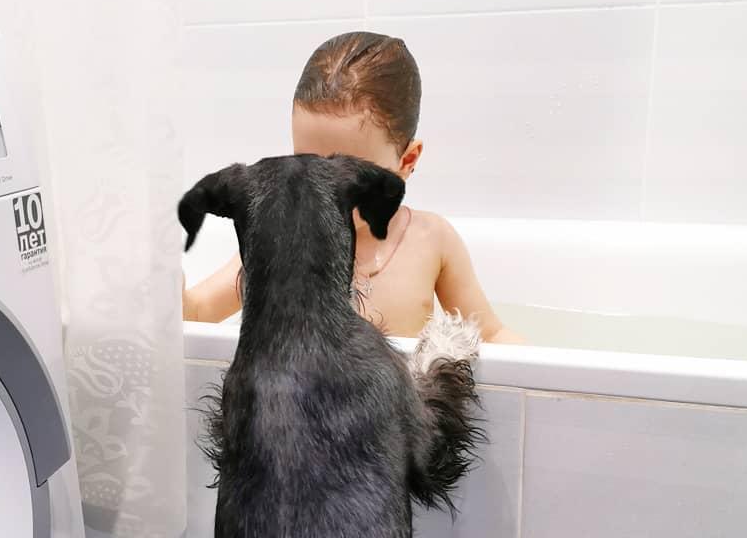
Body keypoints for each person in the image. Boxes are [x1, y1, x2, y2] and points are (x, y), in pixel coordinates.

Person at [183, 31, 521, 343]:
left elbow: (491, 334)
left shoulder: (431, 240)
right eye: (308, 164)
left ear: (406, 161)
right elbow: (197, 312)